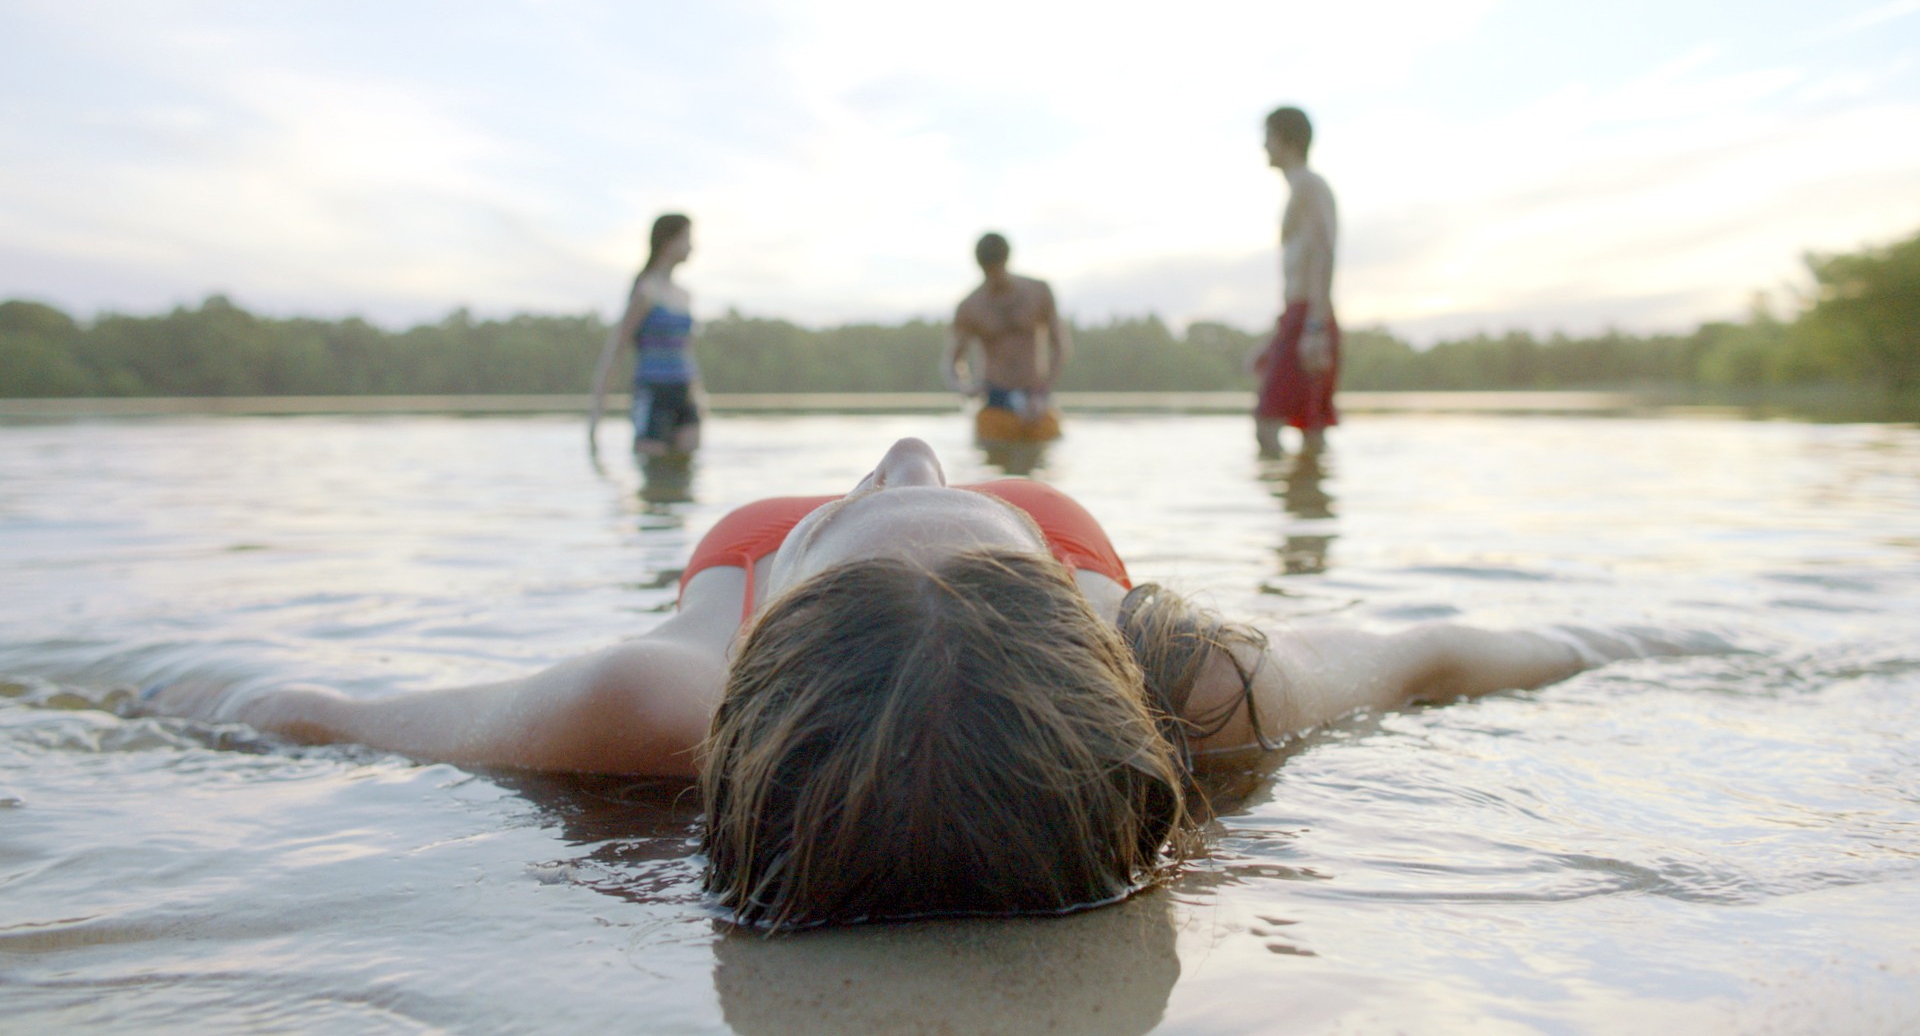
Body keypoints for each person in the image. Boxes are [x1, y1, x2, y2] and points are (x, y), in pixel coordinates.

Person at [147, 436, 1683, 932]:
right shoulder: (1206, 682)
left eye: (907, 484)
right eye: (910, 480)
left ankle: (916, 547)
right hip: (1007, 567)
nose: (904, 448)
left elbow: (299, 712)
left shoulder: (661, 700)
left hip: (803, 559)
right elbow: (1442, 651)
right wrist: (1648, 646)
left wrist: (123, 684)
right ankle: (981, 542)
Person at [1252, 106, 1340, 458]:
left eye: (1268, 137)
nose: (1264, 146)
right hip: (1300, 314)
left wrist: (1314, 326)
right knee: (1310, 428)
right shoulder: (1298, 188)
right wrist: (1277, 336)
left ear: (1286, 140)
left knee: (1270, 425)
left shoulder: (1308, 185)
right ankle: (1307, 487)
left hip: (1309, 316)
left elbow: (1323, 251)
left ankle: (1300, 489)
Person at [589, 213, 700, 457]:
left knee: (686, 468)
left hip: (683, 392)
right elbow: (615, 349)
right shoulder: (645, 291)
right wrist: (596, 419)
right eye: (686, 238)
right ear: (667, 241)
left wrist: (698, 397)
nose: (692, 246)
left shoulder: (684, 295)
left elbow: (687, 351)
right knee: (653, 467)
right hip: (653, 392)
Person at [946, 233, 1068, 443]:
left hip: (1036, 399)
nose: (994, 276)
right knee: (991, 456)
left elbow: (1060, 347)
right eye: (988, 270)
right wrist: (965, 388)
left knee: (1045, 454)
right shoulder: (970, 306)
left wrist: (1041, 393)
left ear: (1007, 259)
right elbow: (951, 361)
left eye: (998, 268)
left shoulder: (1038, 292)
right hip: (994, 402)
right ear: (979, 266)